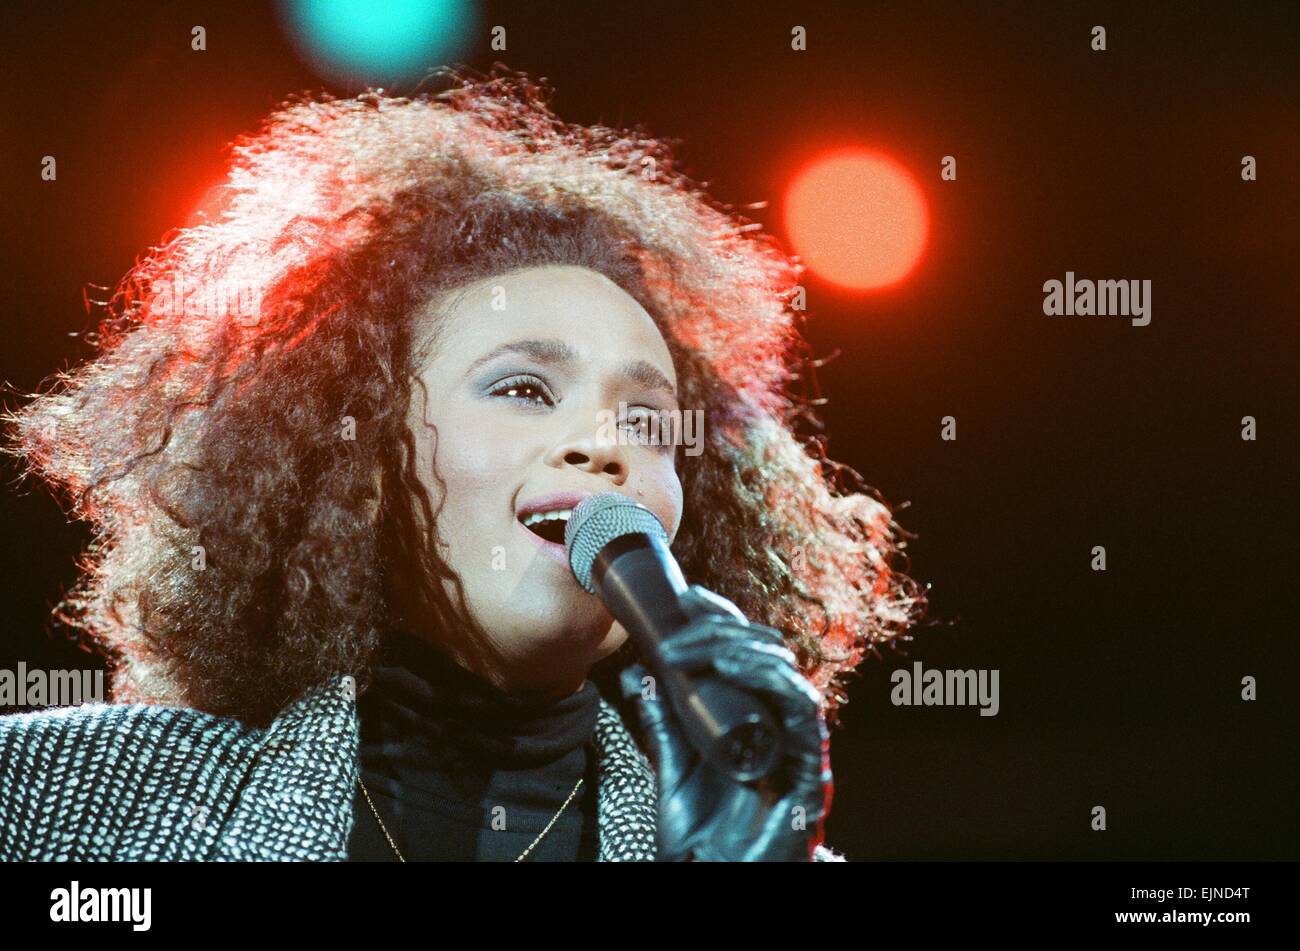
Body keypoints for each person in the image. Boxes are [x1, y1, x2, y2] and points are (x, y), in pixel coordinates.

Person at [0, 66, 924, 861]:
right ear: (358, 461)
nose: (605, 444)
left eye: (648, 421)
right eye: (523, 389)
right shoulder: (65, 798)